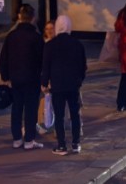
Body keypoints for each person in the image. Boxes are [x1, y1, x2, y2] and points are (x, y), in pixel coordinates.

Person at [0, 4, 45, 150]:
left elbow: (3, 58)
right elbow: (42, 59)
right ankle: (29, 140)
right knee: (31, 109)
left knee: (16, 108)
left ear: (19, 17)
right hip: (32, 79)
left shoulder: (11, 36)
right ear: (33, 18)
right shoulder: (36, 38)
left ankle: (17, 138)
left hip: (15, 79)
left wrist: (5, 77)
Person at [40, 15, 86, 156]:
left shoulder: (50, 45)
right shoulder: (77, 44)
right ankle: (76, 143)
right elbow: (83, 66)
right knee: (75, 114)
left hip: (57, 85)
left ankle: (61, 145)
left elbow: (46, 67)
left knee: (59, 115)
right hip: (73, 85)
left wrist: (44, 83)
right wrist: (79, 81)